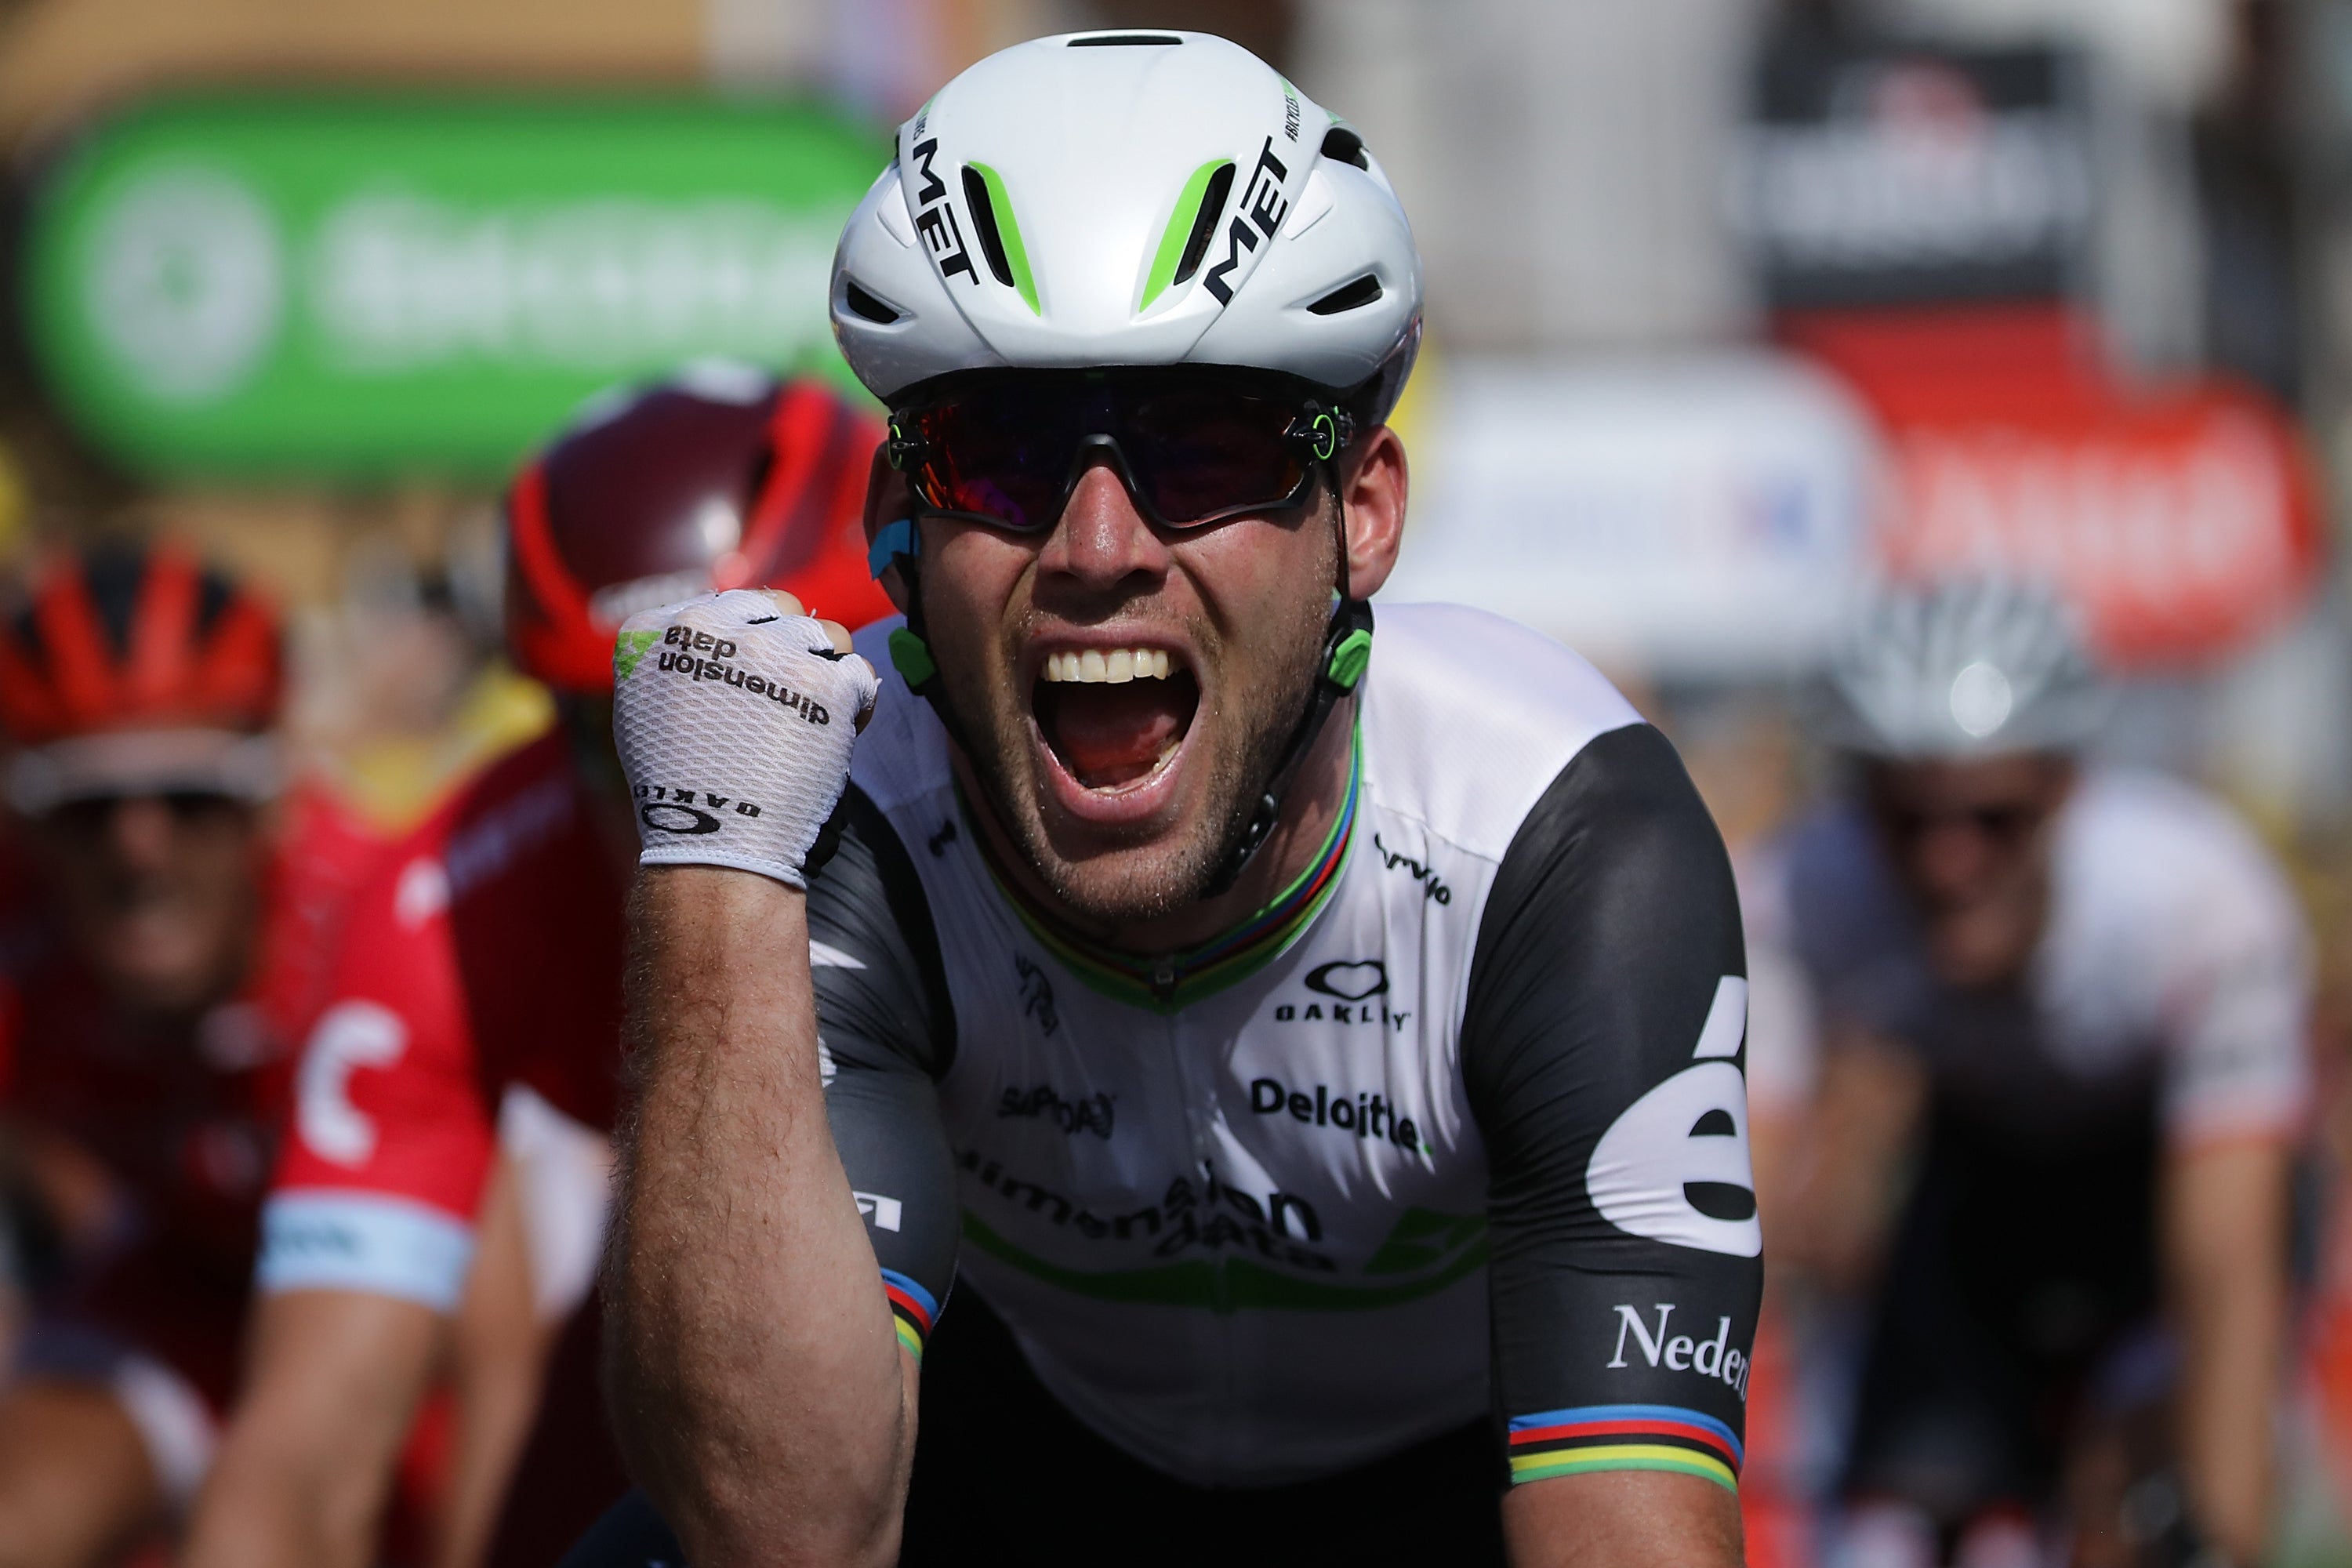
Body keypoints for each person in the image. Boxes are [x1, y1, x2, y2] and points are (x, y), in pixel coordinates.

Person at [581, 31, 1762, 1568]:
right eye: (998, 457)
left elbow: (1626, 1537)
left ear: (1366, 517)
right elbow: (783, 1529)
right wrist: (713, 870)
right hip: (1021, 1477)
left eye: (1204, 447)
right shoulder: (829, 810)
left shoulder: (1558, 840)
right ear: (898, 527)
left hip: (1435, 1506)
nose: (1095, 546)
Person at [183, 365, 891, 1568]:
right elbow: (303, 1463)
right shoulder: (445, 900)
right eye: (623, 730)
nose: (699, 790)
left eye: (791, 707)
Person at [1745, 579, 2308, 1566]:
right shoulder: (1798, 890)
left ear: (2065, 788)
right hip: (1985, 1181)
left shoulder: (2199, 903)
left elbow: (2226, 1269)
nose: (1947, 859)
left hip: (2172, 1183)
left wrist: (2219, 1531)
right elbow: (1722, 1204)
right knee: (1901, 1526)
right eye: (1905, 818)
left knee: (2133, 1500)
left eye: (1993, 817)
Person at [0, 540, 395, 1567]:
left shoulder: (373, 929)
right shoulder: (19, 929)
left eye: (191, 796)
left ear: (269, 794)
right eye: (85, 808)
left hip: (406, 1323)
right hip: (182, 1288)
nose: (139, 847)